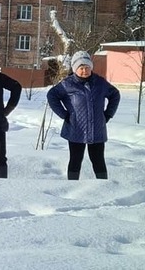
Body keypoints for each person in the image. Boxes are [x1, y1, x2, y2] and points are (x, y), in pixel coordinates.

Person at [47, 50, 120, 180]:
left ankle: (104, 187)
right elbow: (52, 95)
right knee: (75, 160)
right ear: (75, 68)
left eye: (87, 67)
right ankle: (72, 185)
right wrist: (64, 114)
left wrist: (108, 114)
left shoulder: (100, 83)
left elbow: (115, 94)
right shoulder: (67, 84)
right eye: (81, 67)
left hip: (97, 129)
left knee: (98, 161)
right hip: (76, 129)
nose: (84, 70)